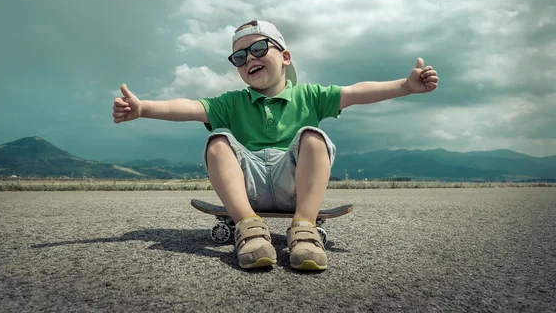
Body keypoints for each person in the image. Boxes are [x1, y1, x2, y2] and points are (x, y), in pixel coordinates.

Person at [112, 20, 439, 271]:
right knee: (217, 142)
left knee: (313, 137)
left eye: (257, 49)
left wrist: (405, 86)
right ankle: (248, 227)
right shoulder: (232, 102)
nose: (248, 59)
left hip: (294, 184)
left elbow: (357, 91)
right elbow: (188, 107)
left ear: (284, 56)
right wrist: (144, 109)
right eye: (239, 57)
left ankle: (305, 228)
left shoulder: (310, 95)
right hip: (248, 188)